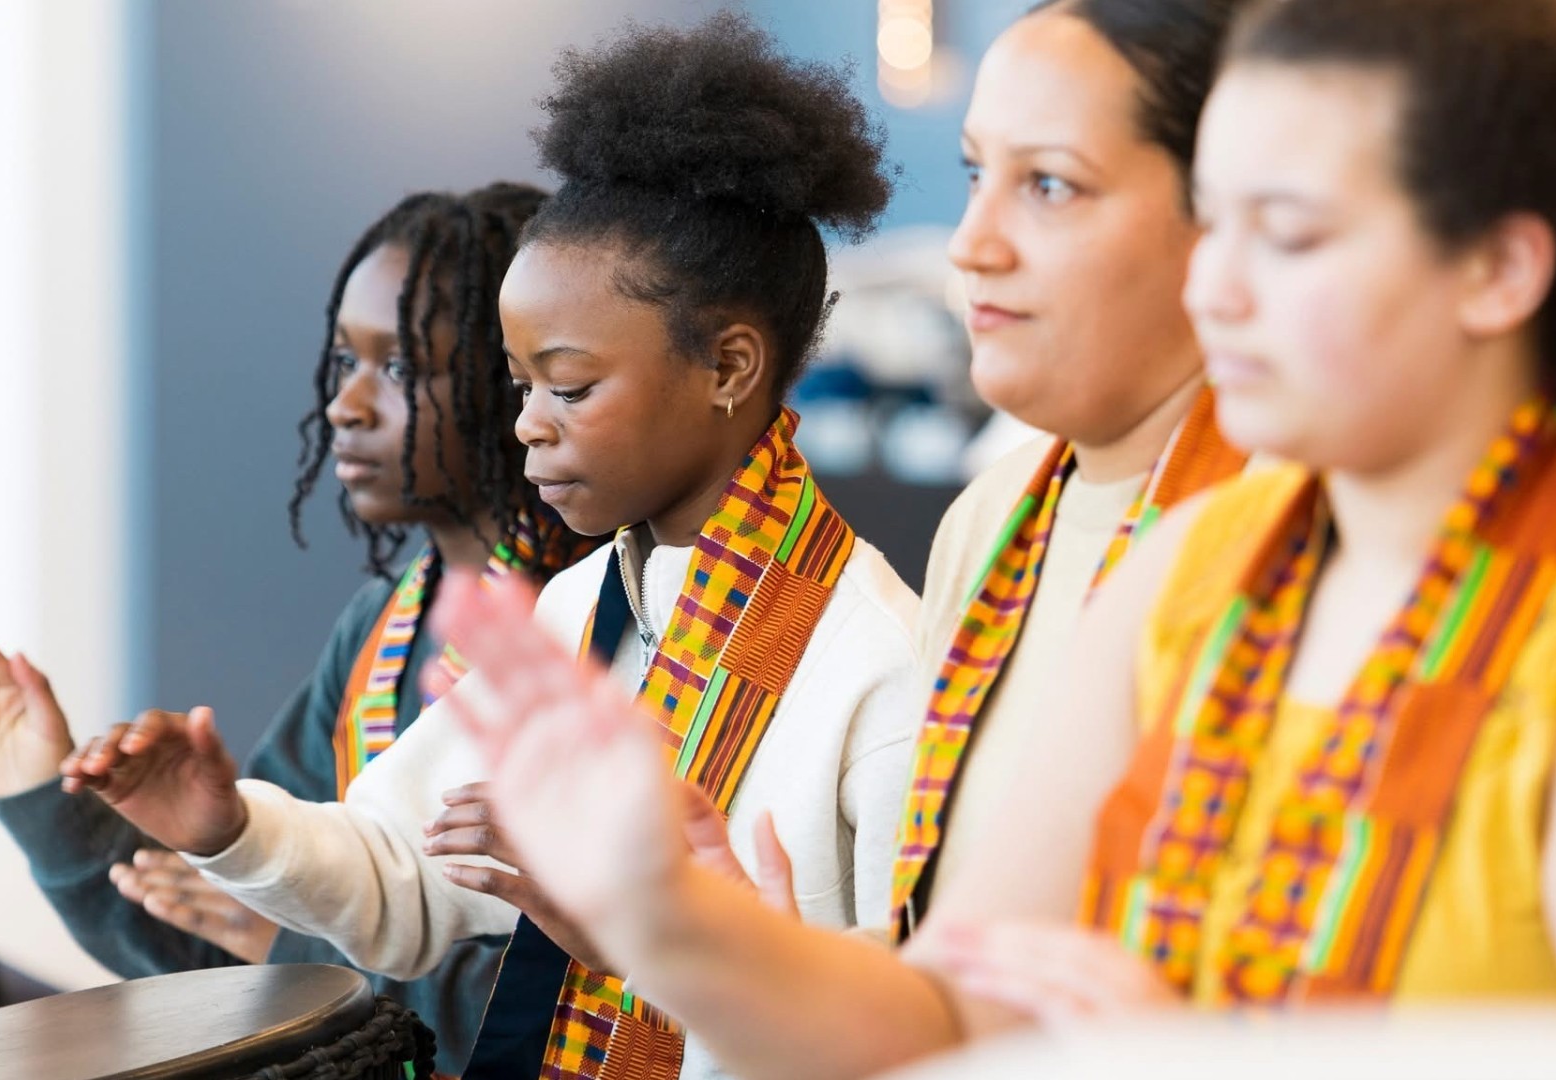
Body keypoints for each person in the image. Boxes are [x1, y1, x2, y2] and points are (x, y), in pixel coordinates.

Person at [432, 0, 1556, 1076]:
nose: (1214, 283)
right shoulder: (1196, 565)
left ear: (1498, 271)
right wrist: (669, 918)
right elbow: (952, 1021)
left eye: (1285, 234)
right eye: (1215, 220)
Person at [58, 13, 923, 1080]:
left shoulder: (879, 675)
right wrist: (228, 824)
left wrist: (654, 940)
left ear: (730, 367)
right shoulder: (579, 611)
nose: (526, 425)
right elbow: (405, 877)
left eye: (568, 386)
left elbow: (907, 1050)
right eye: (520, 387)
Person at [0, 184, 586, 1074]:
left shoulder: (589, 613)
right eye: (345, 362)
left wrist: (299, 952)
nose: (348, 404)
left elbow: (590, 997)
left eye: (402, 370)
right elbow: (220, 947)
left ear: (515, 380)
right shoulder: (381, 623)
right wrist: (40, 792)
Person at [889, 0, 1248, 945]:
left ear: (1222, 223)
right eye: (976, 173)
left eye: (1049, 185)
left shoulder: (1287, 539)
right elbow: (953, 956)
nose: (972, 242)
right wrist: (688, 925)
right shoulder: (989, 517)